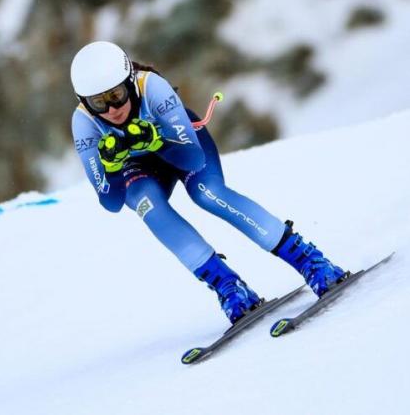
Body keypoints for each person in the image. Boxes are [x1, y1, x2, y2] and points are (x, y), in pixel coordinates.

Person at [70, 41, 347, 324]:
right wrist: (113, 167)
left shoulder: (152, 88)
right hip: (138, 167)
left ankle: (310, 260)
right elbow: (112, 202)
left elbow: (190, 157)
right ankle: (229, 287)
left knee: (206, 193)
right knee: (147, 205)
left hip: (181, 145)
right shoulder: (84, 123)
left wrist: (156, 140)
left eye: (117, 95)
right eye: (99, 103)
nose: (112, 109)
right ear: (85, 102)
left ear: (129, 82)